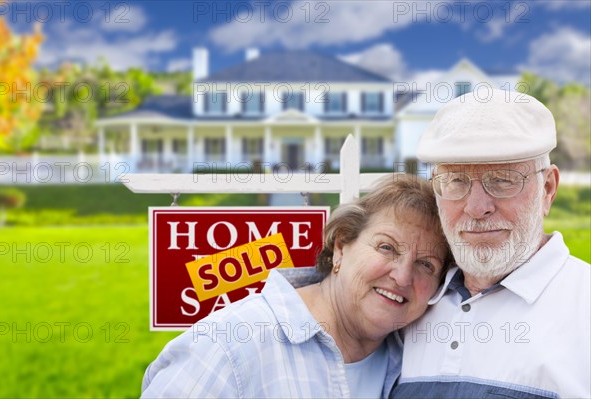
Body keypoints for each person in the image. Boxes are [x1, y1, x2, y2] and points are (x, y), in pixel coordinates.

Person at [141, 174, 451, 398]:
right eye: (387, 248)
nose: (403, 276)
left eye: (426, 265)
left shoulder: (414, 362)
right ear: (341, 246)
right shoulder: (228, 347)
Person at [391, 89, 591, 398]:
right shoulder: (407, 303)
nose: (477, 207)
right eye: (456, 181)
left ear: (547, 189)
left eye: (502, 180)